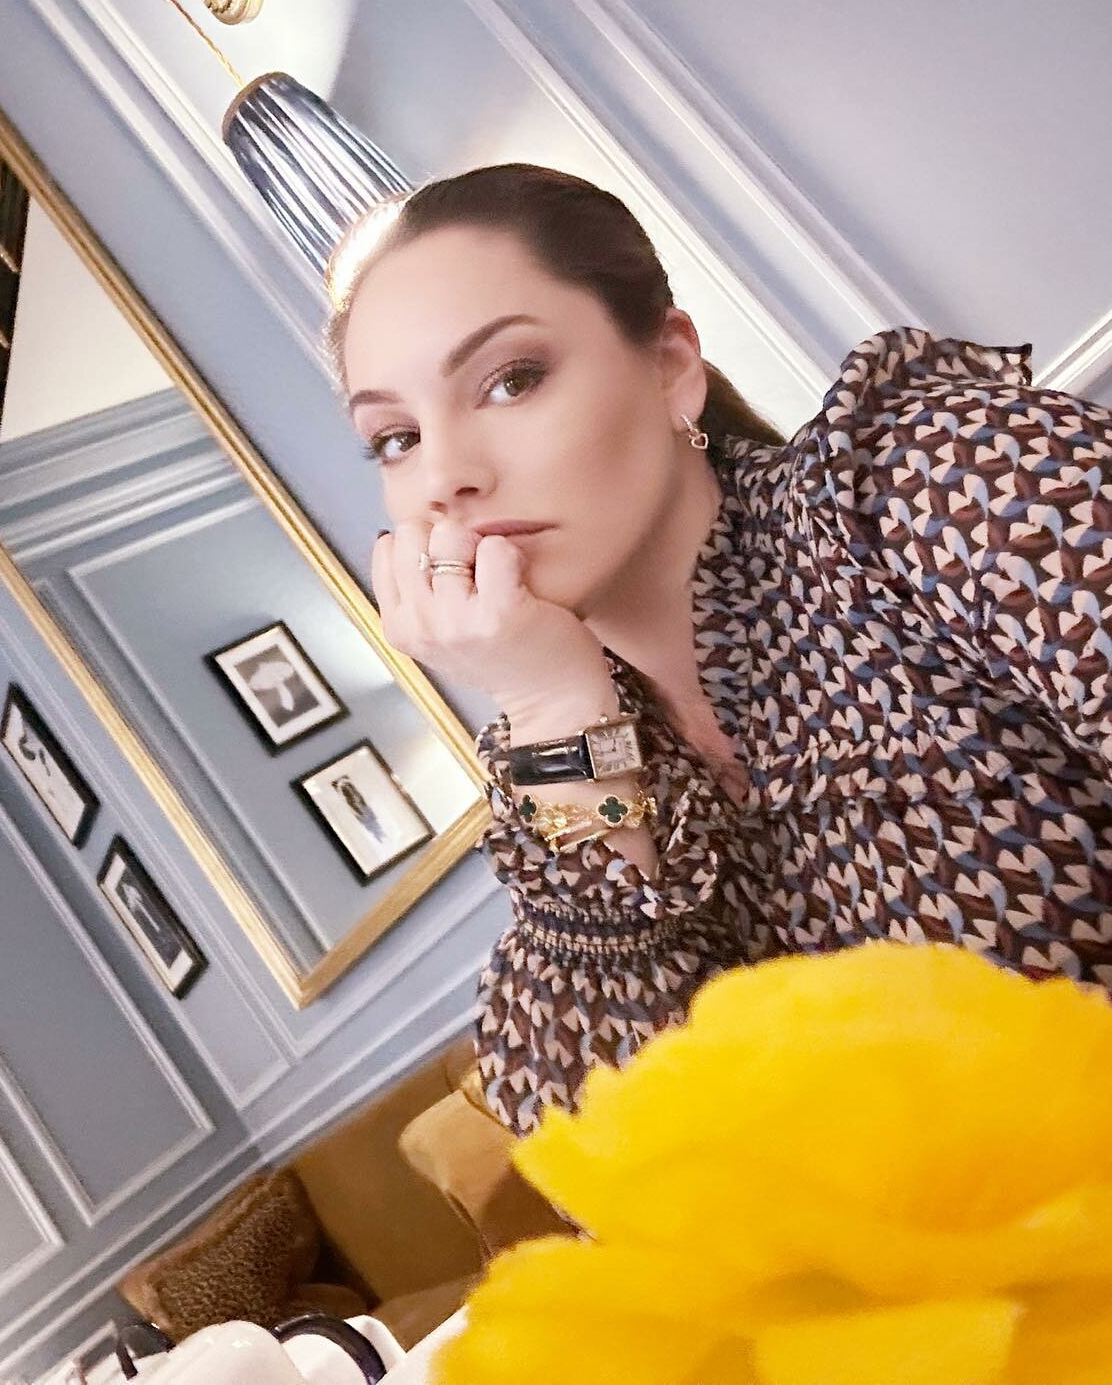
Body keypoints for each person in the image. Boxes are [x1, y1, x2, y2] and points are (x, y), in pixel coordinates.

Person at [323, 163, 1112, 1138]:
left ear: (670, 367)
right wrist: (560, 714)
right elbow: (616, 1150)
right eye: (395, 438)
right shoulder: (559, 750)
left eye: (512, 380)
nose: (446, 474)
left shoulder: (936, 484)